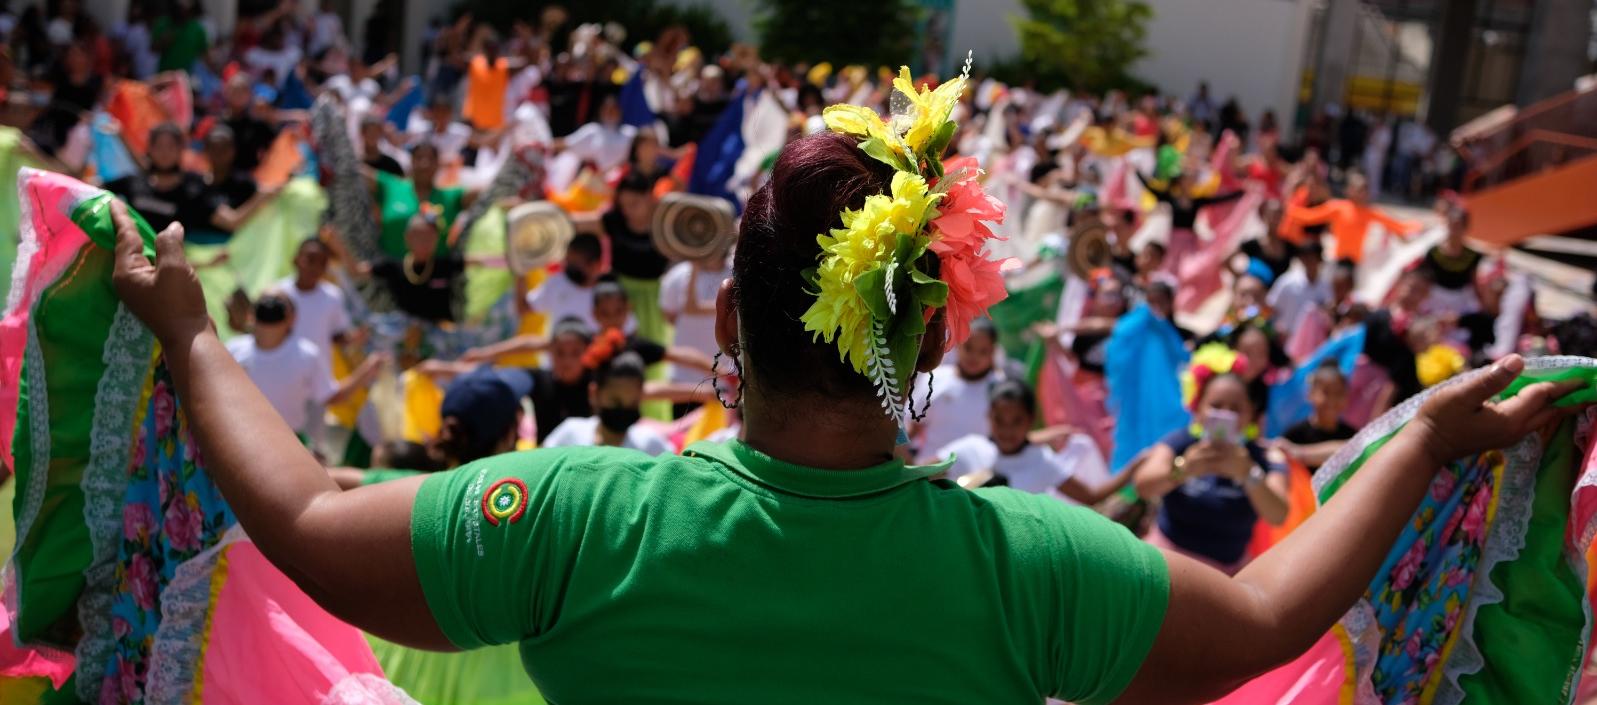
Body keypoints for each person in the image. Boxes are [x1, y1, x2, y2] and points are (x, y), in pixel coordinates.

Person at [110, 121, 1585, 703]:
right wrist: (1422, 439)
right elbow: (1267, 620)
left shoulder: (582, 516)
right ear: (930, 344)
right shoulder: (1026, 563)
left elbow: (299, 514)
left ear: (725, 329)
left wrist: (186, 334)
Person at [1133, 366, 1289, 573]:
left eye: (1236, 408)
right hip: (1166, 562)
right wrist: (1184, 469)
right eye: (1216, 405)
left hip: (1227, 572)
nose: (1225, 414)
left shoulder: (1264, 458)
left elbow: (1278, 515)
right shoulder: (1180, 443)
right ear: (1198, 409)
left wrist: (1247, 473)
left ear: (1250, 414)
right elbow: (1143, 486)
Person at [935, 380, 1128, 505]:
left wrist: (1136, 467)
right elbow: (918, 473)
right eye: (999, 420)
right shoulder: (969, 449)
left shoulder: (1042, 461)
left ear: (1030, 420)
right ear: (989, 417)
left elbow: (1090, 495)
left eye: (1016, 421)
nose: (1007, 430)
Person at [225, 291, 382, 443]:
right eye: (264, 303)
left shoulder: (306, 355)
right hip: (239, 438)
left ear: (292, 317)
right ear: (251, 314)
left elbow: (330, 395)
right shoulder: (233, 349)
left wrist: (366, 371)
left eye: (278, 305)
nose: (270, 306)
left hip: (287, 442)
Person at [540, 337, 673, 454]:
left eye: (632, 403)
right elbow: (540, 465)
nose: (624, 410)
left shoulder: (650, 444)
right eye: (616, 401)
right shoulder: (571, 433)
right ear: (594, 394)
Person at [909, 318, 1003, 463]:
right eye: (969, 348)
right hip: (929, 474)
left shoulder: (1000, 388)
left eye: (983, 351)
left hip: (977, 477)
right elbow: (912, 428)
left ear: (993, 352)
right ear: (958, 344)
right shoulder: (934, 378)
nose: (974, 357)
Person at [1285, 171, 1423, 264]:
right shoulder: (1337, 207)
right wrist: (1290, 208)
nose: (1363, 194)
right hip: (1338, 259)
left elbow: (1395, 224)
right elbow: (1309, 217)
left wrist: (1417, 226)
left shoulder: (1370, 212)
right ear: (1349, 190)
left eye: (1365, 190)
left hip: (1357, 262)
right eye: (1359, 189)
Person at [105, 123, 217, 236]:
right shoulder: (134, 182)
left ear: (181, 149)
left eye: (171, 146)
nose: (165, 152)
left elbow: (223, 219)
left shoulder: (194, 187)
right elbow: (95, 192)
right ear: (150, 149)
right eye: (159, 146)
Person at [659, 245, 730, 415]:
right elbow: (670, 316)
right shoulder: (676, 276)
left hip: (726, 380)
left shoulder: (737, 274)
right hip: (684, 382)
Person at [275, 238, 353, 367]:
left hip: (318, 375)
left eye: (322, 263)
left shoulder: (333, 296)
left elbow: (338, 335)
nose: (315, 267)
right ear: (295, 259)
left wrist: (352, 338)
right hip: (283, 370)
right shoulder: (278, 293)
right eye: (310, 260)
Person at [1278, 363, 1357, 471]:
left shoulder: (1353, 436)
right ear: (1310, 394)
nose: (1332, 400)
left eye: (1338, 393)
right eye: (1326, 392)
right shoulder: (1294, 436)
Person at [1415, 203, 1484, 318]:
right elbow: (1423, 279)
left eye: (1458, 226)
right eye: (1451, 225)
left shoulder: (1473, 256)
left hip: (1460, 304)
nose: (1453, 230)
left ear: (1465, 228)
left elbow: (1474, 283)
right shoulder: (1433, 252)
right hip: (1434, 301)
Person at [525, 233, 605, 333]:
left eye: (574, 264)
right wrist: (520, 272)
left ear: (595, 264)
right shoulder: (556, 281)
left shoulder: (609, 291)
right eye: (568, 262)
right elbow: (525, 308)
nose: (568, 268)